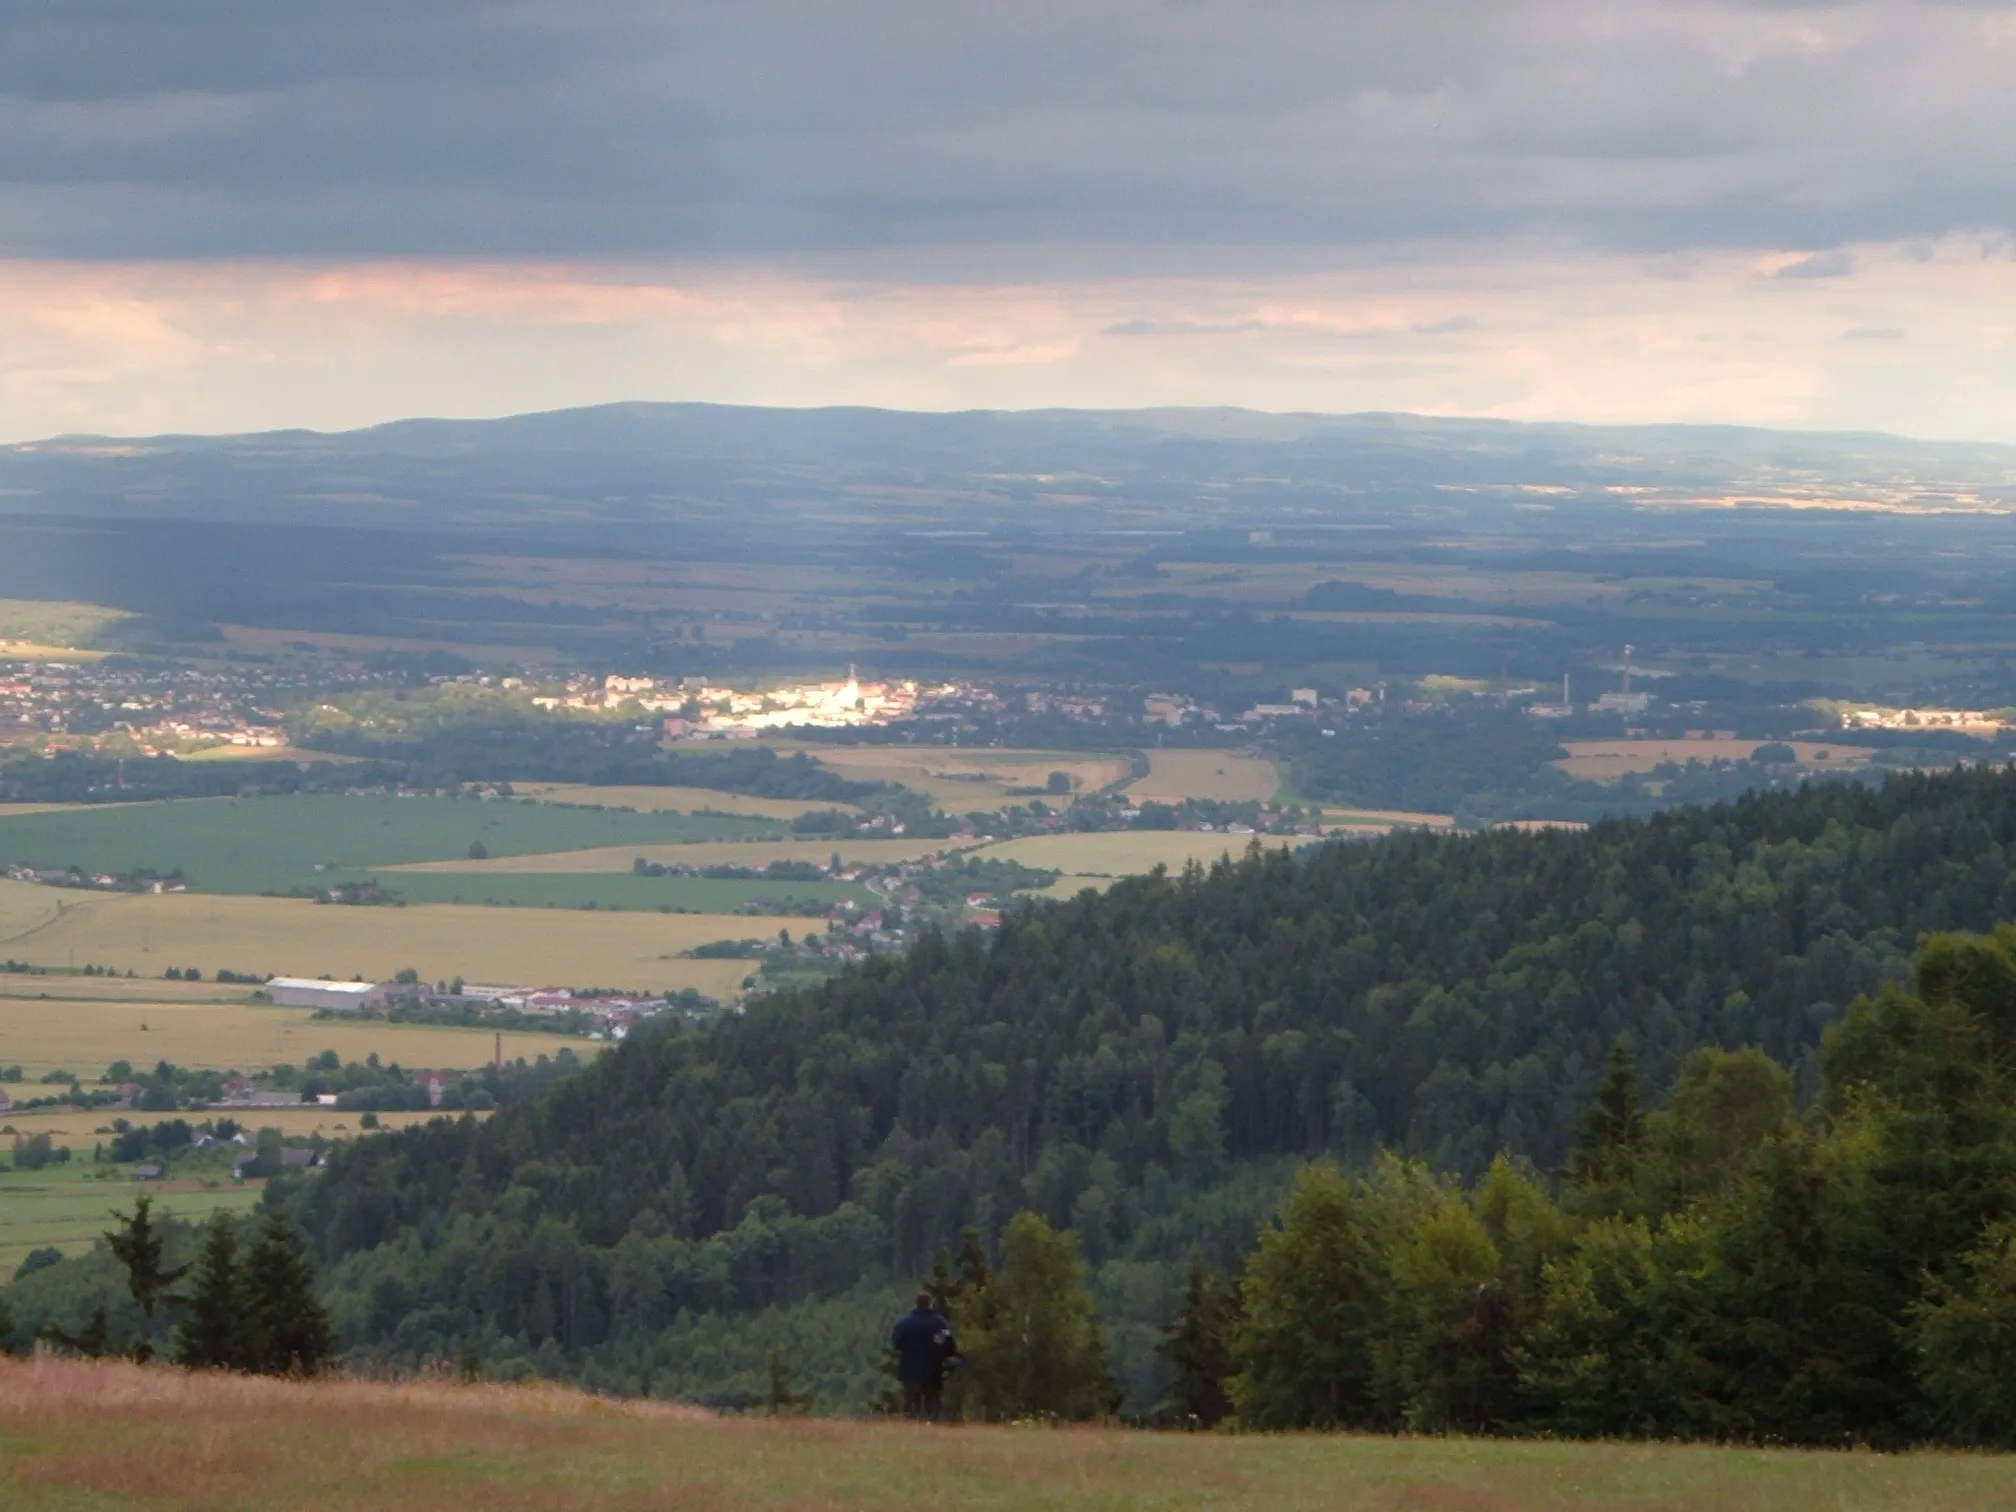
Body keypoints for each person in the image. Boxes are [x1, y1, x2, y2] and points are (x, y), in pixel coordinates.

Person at [891, 1289, 957, 1421]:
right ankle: (934, 1432)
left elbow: (896, 1344)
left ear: (916, 1304)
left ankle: (911, 1433)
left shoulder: (905, 1323)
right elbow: (949, 1345)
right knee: (933, 1405)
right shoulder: (940, 1323)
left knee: (911, 1405)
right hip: (933, 1371)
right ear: (931, 1304)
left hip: (910, 1370)